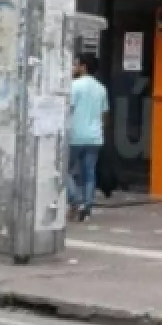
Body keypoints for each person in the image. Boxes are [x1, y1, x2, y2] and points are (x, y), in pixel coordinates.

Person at [67, 55, 109, 222]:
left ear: (83, 67)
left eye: (76, 64)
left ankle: (75, 198)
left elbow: (68, 109)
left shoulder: (74, 85)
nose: (73, 67)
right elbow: (104, 115)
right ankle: (87, 207)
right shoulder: (101, 88)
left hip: (75, 136)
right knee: (89, 174)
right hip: (94, 137)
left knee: (64, 170)